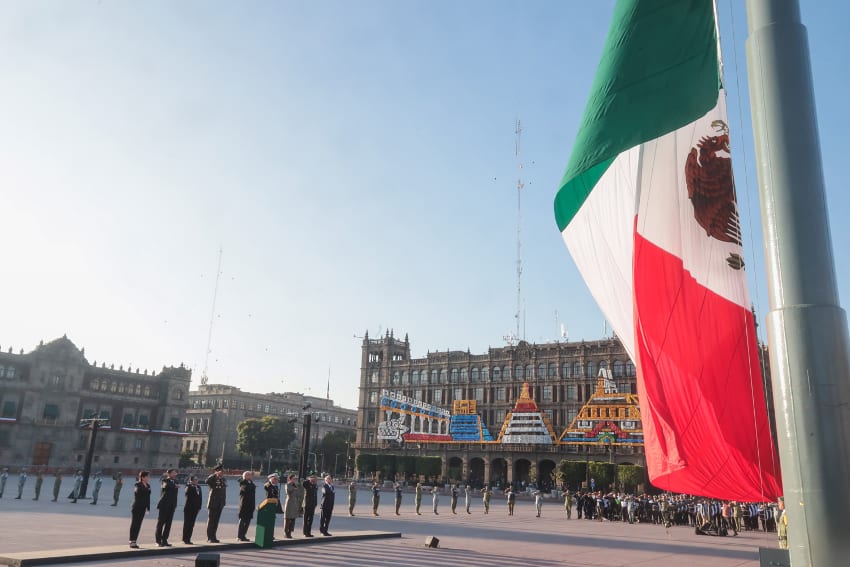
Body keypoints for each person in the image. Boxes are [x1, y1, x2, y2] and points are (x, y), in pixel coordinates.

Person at [155, 468, 179, 547]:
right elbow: (166, 487)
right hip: (164, 505)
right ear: (169, 474)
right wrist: (174, 486)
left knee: (168, 524)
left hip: (172, 506)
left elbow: (175, 495)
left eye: (175, 473)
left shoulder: (176, 482)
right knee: (161, 523)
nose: (175, 474)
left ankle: (164, 540)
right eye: (173, 473)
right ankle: (158, 541)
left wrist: (175, 504)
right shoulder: (164, 481)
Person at [129, 470, 151, 548]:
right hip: (136, 506)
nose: (149, 478)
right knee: (134, 523)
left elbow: (148, 497)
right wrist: (146, 490)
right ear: (143, 477)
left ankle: (135, 540)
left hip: (143, 507)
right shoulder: (137, 484)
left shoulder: (148, 485)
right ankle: (131, 541)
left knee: (139, 524)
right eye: (147, 476)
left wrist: (148, 508)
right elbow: (137, 492)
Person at [205, 465, 227, 543]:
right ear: (217, 471)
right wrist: (215, 474)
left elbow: (223, 491)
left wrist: (223, 502)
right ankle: (209, 537)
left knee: (216, 521)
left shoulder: (223, 479)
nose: (222, 473)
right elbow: (207, 481)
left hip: (220, 503)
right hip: (213, 503)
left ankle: (214, 536)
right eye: (221, 471)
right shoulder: (213, 478)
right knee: (211, 521)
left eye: (223, 472)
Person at [182, 475, 202, 544]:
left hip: (195, 508)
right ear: (191, 480)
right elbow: (187, 493)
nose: (196, 481)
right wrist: (190, 485)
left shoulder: (199, 487)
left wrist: (199, 507)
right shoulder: (188, 486)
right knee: (187, 523)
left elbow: (200, 498)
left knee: (192, 524)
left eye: (197, 479)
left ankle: (189, 538)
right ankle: (185, 539)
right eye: (195, 480)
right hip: (188, 508)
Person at [237, 471, 256, 542]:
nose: (252, 476)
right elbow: (246, 489)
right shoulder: (242, 483)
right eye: (250, 475)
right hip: (244, 505)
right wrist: (252, 485)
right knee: (242, 520)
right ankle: (239, 536)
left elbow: (251, 488)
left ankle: (243, 535)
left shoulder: (251, 483)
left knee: (248, 521)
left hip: (250, 505)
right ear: (246, 476)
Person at [283, 474, 299, 538]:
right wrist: (294, 488)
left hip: (294, 503)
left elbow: (298, 493)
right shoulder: (287, 484)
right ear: (290, 479)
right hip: (289, 503)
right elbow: (288, 492)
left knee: (293, 519)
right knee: (287, 518)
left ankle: (290, 532)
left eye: (295, 478)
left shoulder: (295, 485)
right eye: (293, 478)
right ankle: (286, 532)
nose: (294, 480)